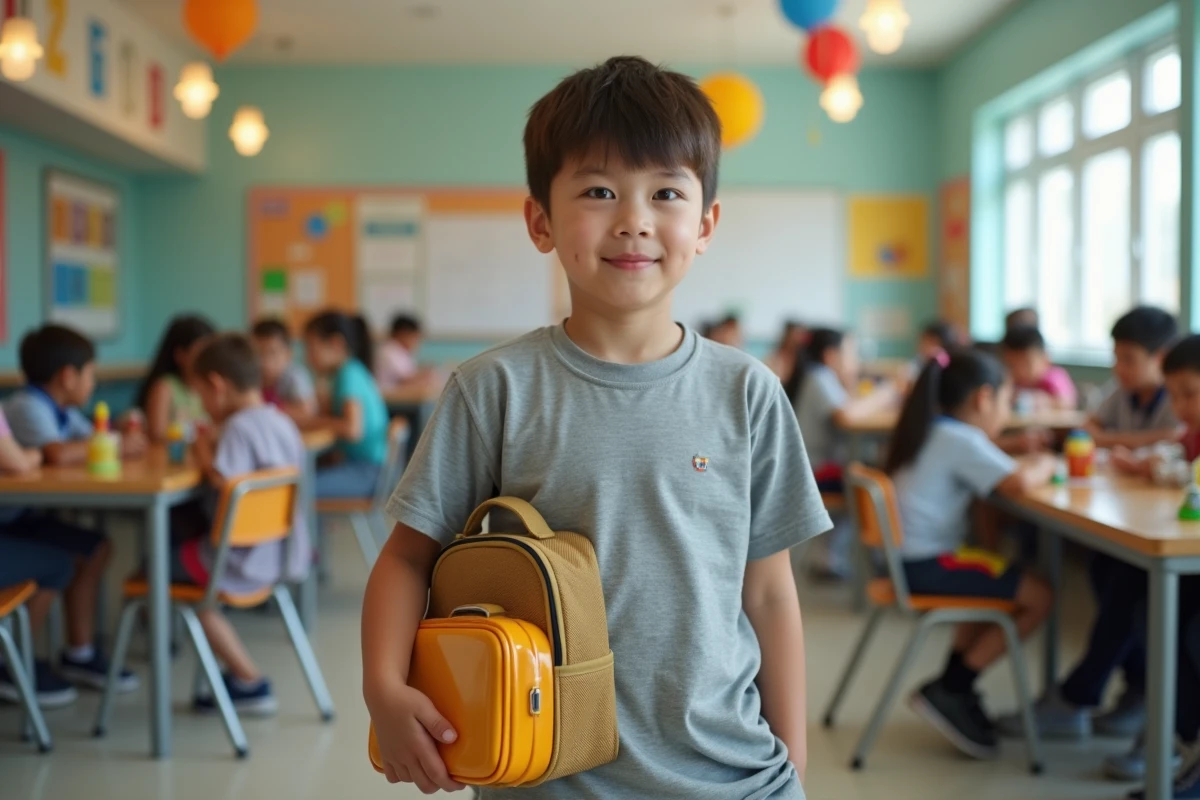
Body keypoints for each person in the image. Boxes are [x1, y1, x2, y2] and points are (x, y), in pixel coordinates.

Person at [362, 56, 832, 799]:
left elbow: (770, 593)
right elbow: (406, 558)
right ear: (540, 221)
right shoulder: (494, 390)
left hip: (737, 776)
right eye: (600, 190)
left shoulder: (748, 392)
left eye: (667, 192)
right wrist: (384, 692)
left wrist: (794, 767)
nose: (634, 219)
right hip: (548, 775)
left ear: (705, 224)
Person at [885, 348, 1056, 760]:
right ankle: (955, 687)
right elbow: (1017, 484)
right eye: (1006, 401)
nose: (1006, 412)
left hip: (910, 562)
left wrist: (1012, 445)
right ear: (983, 398)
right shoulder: (959, 440)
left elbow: (983, 457)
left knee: (995, 581)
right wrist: (1045, 461)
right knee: (1039, 596)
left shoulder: (935, 429)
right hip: (929, 566)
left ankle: (952, 687)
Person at [156, 333, 310, 714]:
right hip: (278, 553)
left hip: (238, 560)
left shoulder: (239, 429)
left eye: (201, 397)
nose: (203, 407)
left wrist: (203, 448)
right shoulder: (282, 421)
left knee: (158, 570)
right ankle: (234, 677)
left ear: (217, 387)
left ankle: (248, 679)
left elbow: (226, 486)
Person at [2, 324, 144, 694]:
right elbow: (53, 454)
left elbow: (87, 440)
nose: (93, 383)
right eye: (91, 374)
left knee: (95, 546)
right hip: (10, 522)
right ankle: (12, 662)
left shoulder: (61, 410)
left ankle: (79, 652)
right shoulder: (25, 405)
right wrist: (112, 441)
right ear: (68, 376)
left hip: (26, 516)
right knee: (59, 562)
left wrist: (112, 437)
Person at [787, 328, 898, 579]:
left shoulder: (822, 375)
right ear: (830, 355)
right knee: (873, 480)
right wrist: (886, 394)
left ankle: (835, 557)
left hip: (820, 466)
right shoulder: (819, 376)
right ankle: (874, 561)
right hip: (816, 470)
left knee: (871, 472)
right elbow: (845, 415)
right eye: (851, 353)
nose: (855, 360)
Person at [303, 311, 389, 499]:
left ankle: (314, 529)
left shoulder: (348, 374)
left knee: (300, 490)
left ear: (336, 344)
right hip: (367, 469)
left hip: (365, 472)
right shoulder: (351, 370)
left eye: (311, 347)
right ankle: (317, 529)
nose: (307, 357)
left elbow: (352, 429)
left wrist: (307, 422)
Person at [1086, 306, 1180, 450]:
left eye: (1128, 359)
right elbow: (1089, 428)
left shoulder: (1178, 395)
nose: (1118, 368)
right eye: (1116, 358)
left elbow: (1175, 437)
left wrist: (1105, 439)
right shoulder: (1121, 391)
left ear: (1161, 358)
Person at [136, 314, 217, 441]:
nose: (206, 360)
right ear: (180, 355)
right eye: (199, 353)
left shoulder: (211, 388)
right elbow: (157, 433)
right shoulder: (165, 387)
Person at [250, 318, 317, 421]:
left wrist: (267, 412)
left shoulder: (294, 376)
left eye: (272, 352)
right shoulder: (252, 377)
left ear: (288, 355)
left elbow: (306, 411)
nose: (264, 360)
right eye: (257, 353)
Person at [1001, 325, 1078, 411]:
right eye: (1012, 365)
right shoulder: (1010, 380)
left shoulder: (1054, 377)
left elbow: (1068, 402)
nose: (1020, 371)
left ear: (1045, 358)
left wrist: (1047, 401)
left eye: (1027, 364)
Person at [375, 314, 434, 393]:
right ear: (402, 334)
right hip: (392, 399)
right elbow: (404, 380)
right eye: (414, 337)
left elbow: (411, 374)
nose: (416, 342)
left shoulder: (401, 351)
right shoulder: (388, 351)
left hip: (401, 396)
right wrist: (424, 375)